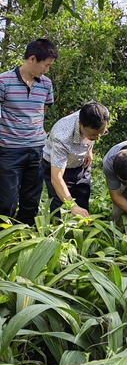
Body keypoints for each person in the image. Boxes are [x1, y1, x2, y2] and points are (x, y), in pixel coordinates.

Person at [0, 39, 58, 225]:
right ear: (32, 58)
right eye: (46, 65)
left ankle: (24, 237)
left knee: (31, 200)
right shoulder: (4, 81)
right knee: (7, 201)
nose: (47, 70)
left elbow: (44, 110)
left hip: (36, 150)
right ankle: (4, 238)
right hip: (9, 151)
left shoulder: (46, 84)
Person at [42, 102, 110, 218]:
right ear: (80, 124)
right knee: (60, 209)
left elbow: (95, 133)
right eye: (93, 135)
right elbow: (56, 178)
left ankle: (82, 233)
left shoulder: (97, 114)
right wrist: (72, 206)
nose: (97, 138)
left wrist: (89, 150)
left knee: (82, 202)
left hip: (81, 164)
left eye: (101, 134)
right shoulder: (62, 136)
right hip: (58, 167)